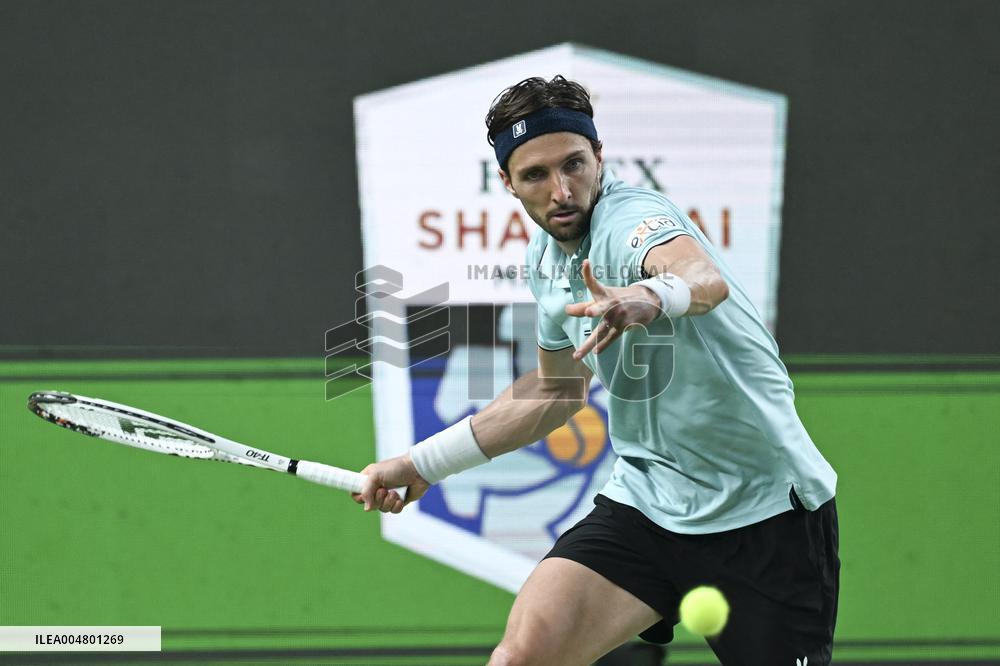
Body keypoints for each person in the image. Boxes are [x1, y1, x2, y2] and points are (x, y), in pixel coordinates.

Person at [354, 76, 840, 666]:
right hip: (648, 502)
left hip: (765, 514)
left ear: (599, 156)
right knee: (522, 659)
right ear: (507, 182)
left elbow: (701, 278)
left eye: (574, 165)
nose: (562, 190)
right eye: (536, 174)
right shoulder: (547, 261)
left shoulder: (631, 217)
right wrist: (421, 463)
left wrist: (651, 297)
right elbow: (554, 394)